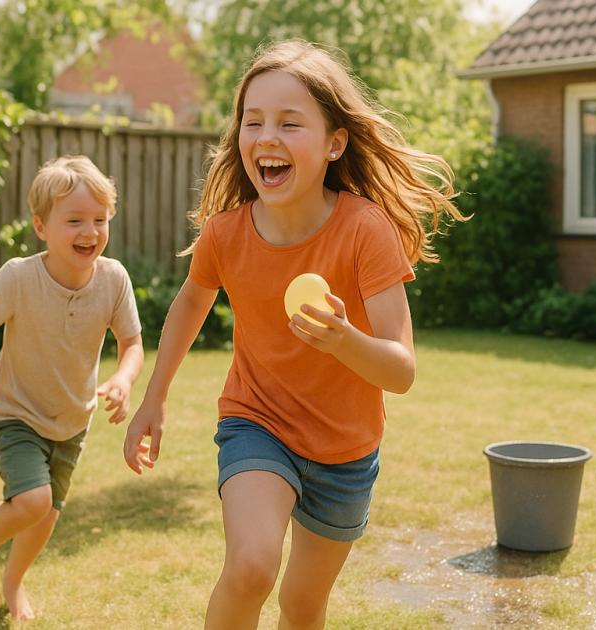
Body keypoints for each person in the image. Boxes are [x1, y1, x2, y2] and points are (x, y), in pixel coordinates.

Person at [122, 40, 462, 630]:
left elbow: (401, 369)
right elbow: (190, 305)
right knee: (252, 566)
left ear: (335, 143)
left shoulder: (364, 229)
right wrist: (154, 398)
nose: (266, 136)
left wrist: (342, 339)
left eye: (289, 122)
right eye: (252, 122)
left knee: (302, 608)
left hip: (346, 451)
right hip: (257, 424)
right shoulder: (226, 233)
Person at [0, 155, 143, 620]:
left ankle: (14, 583)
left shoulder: (114, 279)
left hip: (72, 421)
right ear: (40, 226)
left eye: (99, 219)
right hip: (16, 414)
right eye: (74, 220)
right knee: (34, 500)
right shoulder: (19, 276)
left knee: (45, 515)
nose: (89, 232)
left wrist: (123, 378)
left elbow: (131, 342)